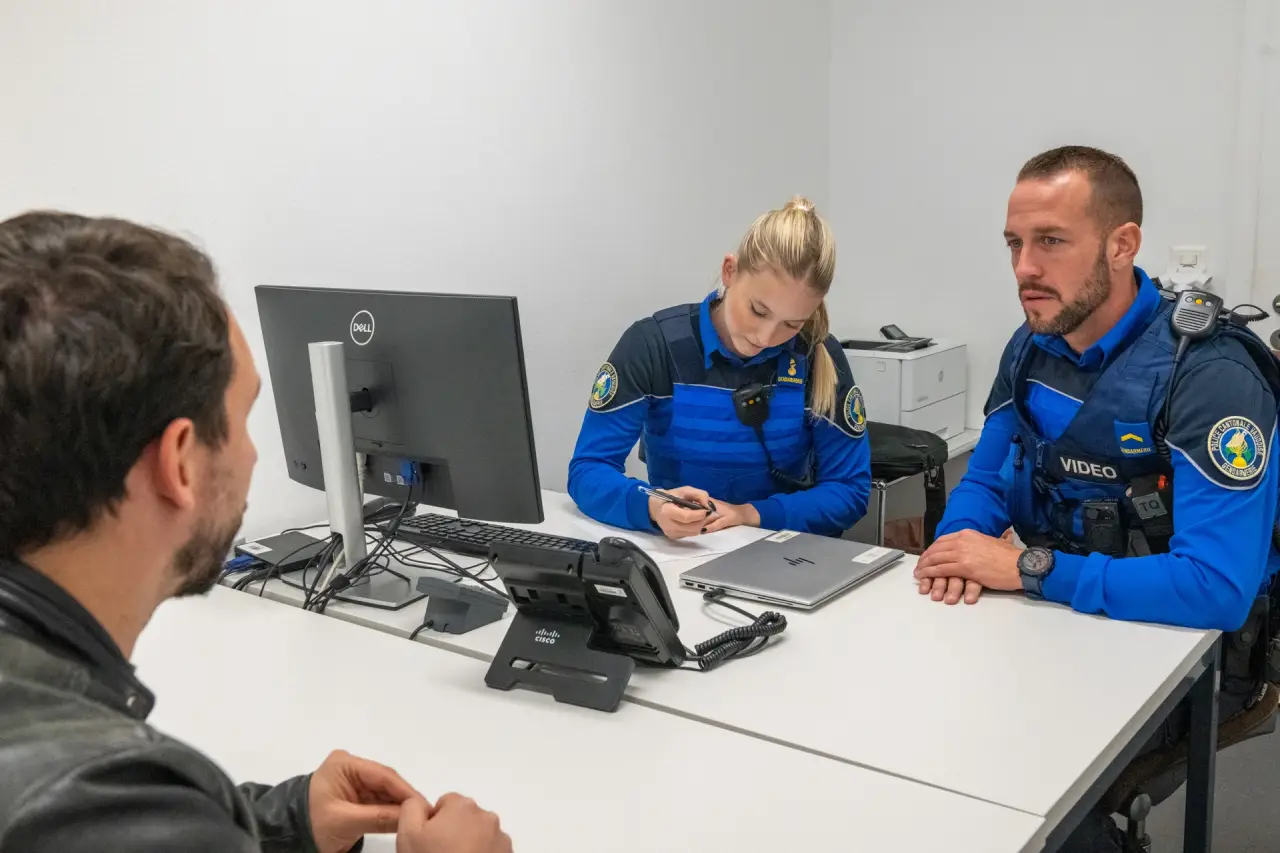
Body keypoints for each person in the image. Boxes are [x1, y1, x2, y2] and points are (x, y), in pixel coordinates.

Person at [0, 212, 512, 853]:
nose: (251, 456)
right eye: (243, 419)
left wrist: (284, 821)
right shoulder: (85, 801)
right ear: (179, 462)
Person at [914, 146, 1280, 851]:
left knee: (1037, 805)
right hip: (1057, 622)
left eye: (1051, 241)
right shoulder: (1030, 346)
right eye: (1015, 243)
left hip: (1188, 653)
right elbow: (987, 479)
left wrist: (1028, 570)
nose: (1025, 267)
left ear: (1123, 244)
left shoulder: (1208, 375)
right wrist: (959, 548)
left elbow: (1218, 588)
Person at [568, 197, 871, 540]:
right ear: (730, 271)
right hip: (680, 549)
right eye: (758, 310)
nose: (765, 337)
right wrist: (653, 506)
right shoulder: (653, 344)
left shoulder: (818, 355)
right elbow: (588, 469)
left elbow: (849, 490)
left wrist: (751, 515)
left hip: (781, 551)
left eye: (792, 323)